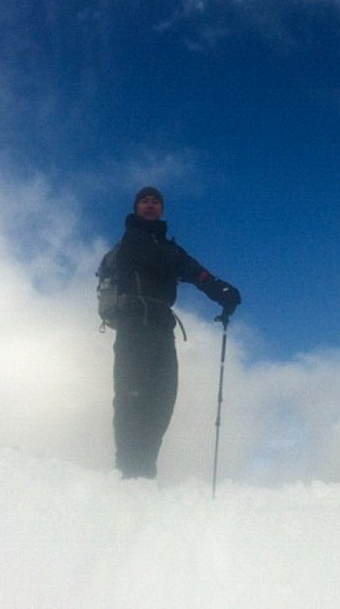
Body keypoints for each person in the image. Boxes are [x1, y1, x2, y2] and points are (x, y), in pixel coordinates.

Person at [103, 187, 240, 479]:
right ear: (136, 207)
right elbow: (175, 265)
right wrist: (190, 272)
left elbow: (195, 272)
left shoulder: (169, 248)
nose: (150, 205)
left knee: (163, 396)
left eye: (155, 202)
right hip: (132, 324)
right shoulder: (132, 241)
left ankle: (145, 468)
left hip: (162, 327)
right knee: (131, 395)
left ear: (161, 209)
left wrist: (222, 291)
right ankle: (127, 469)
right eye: (144, 201)